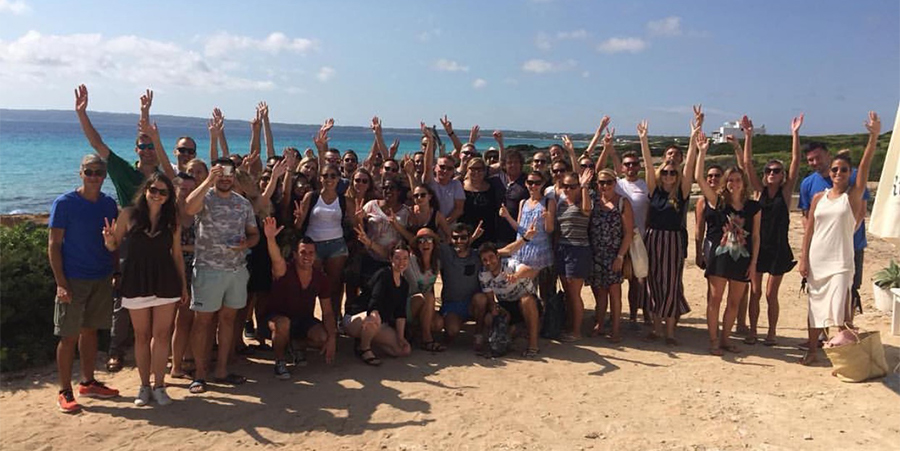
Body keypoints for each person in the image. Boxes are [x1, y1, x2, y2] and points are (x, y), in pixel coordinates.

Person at [75, 85, 160, 373]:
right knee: (122, 301)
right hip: (130, 243)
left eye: (152, 146)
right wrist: (82, 114)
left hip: (159, 244)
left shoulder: (165, 177)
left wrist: (145, 114)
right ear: (137, 149)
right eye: (143, 146)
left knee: (158, 301)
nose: (148, 151)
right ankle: (116, 351)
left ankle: (156, 350)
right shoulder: (126, 172)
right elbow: (98, 145)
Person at [798, 112, 880, 365]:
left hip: (841, 262)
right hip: (817, 259)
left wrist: (873, 137)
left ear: (849, 172)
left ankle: (846, 359)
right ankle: (813, 351)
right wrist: (803, 259)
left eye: (844, 169)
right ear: (830, 171)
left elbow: (865, 169)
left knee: (842, 310)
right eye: (835, 169)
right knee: (815, 308)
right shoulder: (817, 198)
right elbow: (809, 229)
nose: (838, 172)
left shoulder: (852, 196)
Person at [102, 173, 187, 406]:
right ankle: (144, 387)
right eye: (153, 189)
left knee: (161, 335)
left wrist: (183, 286)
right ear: (145, 190)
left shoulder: (173, 219)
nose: (157, 195)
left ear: (169, 196)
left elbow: (177, 255)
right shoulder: (129, 215)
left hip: (165, 279)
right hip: (135, 279)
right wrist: (108, 239)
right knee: (141, 335)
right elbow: (114, 245)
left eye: (163, 192)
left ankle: (160, 386)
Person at [49, 154, 120, 413]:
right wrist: (60, 282)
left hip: (100, 277)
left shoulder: (109, 204)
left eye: (98, 172)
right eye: (89, 172)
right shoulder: (64, 203)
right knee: (68, 336)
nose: (94, 177)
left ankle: (88, 382)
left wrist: (116, 271)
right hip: (73, 279)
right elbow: (54, 244)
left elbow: (113, 243)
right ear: (81, 173)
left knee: (90, 331)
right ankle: (64, 391)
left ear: (104, 176)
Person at [184, 158, 260, 394]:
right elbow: (188, 207)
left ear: (235, 175)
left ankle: (222, 370)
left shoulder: (242, 204)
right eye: (221, 172)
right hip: (208, 269)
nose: (226, 177)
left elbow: (254, 234)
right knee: (203, 323)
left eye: (230, 173)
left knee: (228, 321)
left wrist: (246, 243)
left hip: (236, 271)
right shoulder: (205, 198)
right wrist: (208, 179)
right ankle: (199, 374)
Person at [695, 132, 761, 356]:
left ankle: (725, 339)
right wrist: (702, 152)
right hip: (720, 257)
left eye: (738, 180)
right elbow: (699, 179)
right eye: (730, 180)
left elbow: (755, 237)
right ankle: (713, 340)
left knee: (734, 302)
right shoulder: (717, 203)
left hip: (742, 259)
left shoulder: (753, 207)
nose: (734, 183)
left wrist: (753, 263)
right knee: (715, 299)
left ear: (743, 183)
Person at [742, 114, 803, 346]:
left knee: (770, 294)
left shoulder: (785, 193)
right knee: (755, 293)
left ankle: (772, 333)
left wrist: (794, 134)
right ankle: (753, 331)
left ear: (782, 174)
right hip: (759, 248)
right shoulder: (759, 191)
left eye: (776, 171)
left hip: (778, 249)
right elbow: (748, 164)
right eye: (769, 170)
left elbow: (796, 162)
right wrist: (749, 136)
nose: (771, 174)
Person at [638, 118, 698, 345]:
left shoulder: (681, 193)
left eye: (673, 173)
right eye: (666, 172)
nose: (669, 176)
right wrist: (644, 139)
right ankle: (656, 328)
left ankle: (670, 332)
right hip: (653, 238)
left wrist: (693, 137)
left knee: (671, 283)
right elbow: (646, 163)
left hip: (673, 240)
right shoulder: (654, 190)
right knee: (652, 282)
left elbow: (690, 166)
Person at [798, 139, 870, 322]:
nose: (815, 162)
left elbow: (861, 211)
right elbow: (807, 218)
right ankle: (821, 338)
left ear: (828, 156)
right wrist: (810, 249)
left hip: (851, 246)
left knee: (847, 292)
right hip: (821, 250)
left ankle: (844, 338)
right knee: (819, 292)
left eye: (818, 157)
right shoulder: (808, 184)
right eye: (810, 160)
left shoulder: (850, 177)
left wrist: (844, 234)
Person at [262, 219, 337, 379]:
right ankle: (280, 361)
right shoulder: (284, 270)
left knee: (323, 338)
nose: (307, 257)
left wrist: (332, 338)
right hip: (276, 319)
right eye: (303, 252)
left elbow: (328, 312)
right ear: (295, 254)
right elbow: (276, 259)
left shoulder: (320, 278)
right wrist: (270, 239)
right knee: (283, 324)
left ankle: (295, 344)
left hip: (303, 321)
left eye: (311, 253)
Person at [343, 244, 415, 365]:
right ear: (391, 258)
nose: (401, 262)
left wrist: (400, 337)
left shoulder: (404, 284)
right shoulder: (384, 274)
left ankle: (368, 340)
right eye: (397, 258)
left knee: (403, 350)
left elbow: (400, 313)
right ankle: (364, 348)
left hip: (379, 323)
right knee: (373, 320)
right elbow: (375, 300)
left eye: (405, 258)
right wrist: (374, 313)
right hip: (358, 317)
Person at [293, 164, 350, 320]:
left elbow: (354, 222)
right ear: (320, 178)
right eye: (325, 175)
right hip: (313, 246)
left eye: (333, 176)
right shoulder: (311, 196)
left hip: (336, 246)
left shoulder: (344, 200)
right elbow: (299, 225)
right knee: (310, 284)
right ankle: (307, 319)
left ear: (339, 178)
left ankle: (334, 319)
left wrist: (358, 217)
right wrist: (297, 219)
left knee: (334, 286)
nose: (329, 179)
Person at [588, 169, 634, 343]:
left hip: (614, 254)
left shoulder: (623, 203)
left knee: (615, 293)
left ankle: (615, 329)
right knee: (600, 292)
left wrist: (620, 257)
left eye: (608, 182)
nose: (605, 186)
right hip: (596, 253)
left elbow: (628, 233)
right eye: (601, 182)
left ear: (615, 183)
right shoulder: (594, 202)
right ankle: (600, 324)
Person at [479, 241, 541, 358]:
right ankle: (499, 341)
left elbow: (529, 270)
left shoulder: (510, 264)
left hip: (526, 303)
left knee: (527, 300)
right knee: (489, 318)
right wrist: (494, 308)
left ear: (498, 255)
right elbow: (490, 299)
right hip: (506, 305)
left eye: (491, 257)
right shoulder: (483, 274)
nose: (489, 262)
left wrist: (516, 276)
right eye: (484, 260)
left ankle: (533, 345)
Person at [555, 169, 594, 342]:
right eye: (565, 186)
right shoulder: (561, 204)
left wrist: (585, 186)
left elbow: (587, 210)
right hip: (562, 250)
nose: (568, 189)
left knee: (574, 293)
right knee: (567, 291)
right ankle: (569, 325)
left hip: (578, 250)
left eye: (572, 186)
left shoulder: (582, 202)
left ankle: (576, 331)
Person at [438, 223, 489, 350]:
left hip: (472, 304)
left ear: (469, 238)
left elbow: (502, 252)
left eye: (463, 238)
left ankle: (478, 334)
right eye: (455, 238)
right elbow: (423, 240)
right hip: (452, 305)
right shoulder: (446, 253)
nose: (459, 241)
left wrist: (525, 238)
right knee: (452, 331)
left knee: (481, 299)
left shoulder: (477, 256)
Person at [461, 157, 503, 248]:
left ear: (485, 171)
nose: (476, 172)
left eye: (480, 169)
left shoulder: (492, 187)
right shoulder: (460, 186)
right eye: (473, 169)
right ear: (467, 169)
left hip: (488, 233)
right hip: (466, 234)